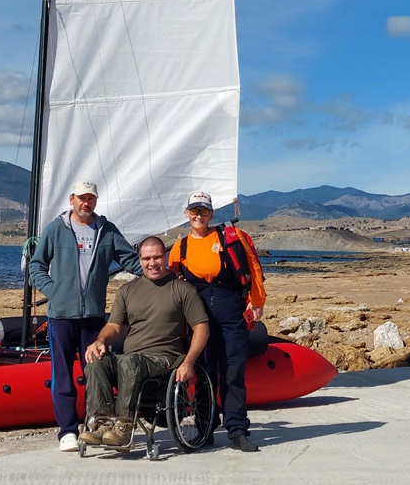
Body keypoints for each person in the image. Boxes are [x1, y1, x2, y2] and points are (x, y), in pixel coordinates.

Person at [28, 179, 142, 452]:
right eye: (81, 198)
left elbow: (130, 260)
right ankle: (67, 431)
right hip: (61, 317)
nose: (86, 203)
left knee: (97, 372)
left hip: (92, 317)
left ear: (95, 201)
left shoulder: (106, 231)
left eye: (91, 198)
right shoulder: (56, 229)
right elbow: (36, 265)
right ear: (72, 199)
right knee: (63, 375)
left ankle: (96, 425)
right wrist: (53, 291)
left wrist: (160, 270)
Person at [77, 236, 210, 448]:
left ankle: (123, 427)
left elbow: (201, 327)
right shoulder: (127, 291)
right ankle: (100, 424)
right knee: (97, 361)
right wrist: (100, 340)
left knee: (129, 361)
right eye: (147, 258)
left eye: (157, 257)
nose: (152, 263)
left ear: (165, 257)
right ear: (139, 260)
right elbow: (114, 327)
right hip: (131, 359)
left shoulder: (182, 289)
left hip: (166, 360)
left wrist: (189, 361)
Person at [169, 191, 266, 452]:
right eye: (194, 211)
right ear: (186, 213)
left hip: (230, 308)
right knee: (202, 371)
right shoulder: (180, 247)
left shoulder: (231, 238)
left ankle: (236, 430)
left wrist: (257, 302)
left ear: (211, 214)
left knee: (233, 370)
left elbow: (255, 267)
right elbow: (171, 282)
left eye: (203, 211)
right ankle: (205, 426)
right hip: (197, 313)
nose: (198, 216)